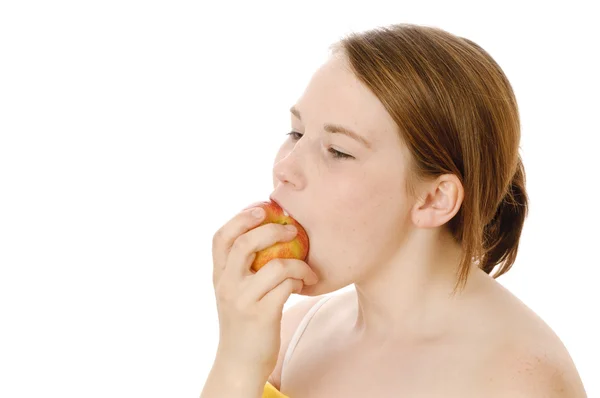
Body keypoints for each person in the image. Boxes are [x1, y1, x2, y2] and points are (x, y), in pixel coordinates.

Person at [201, 23, 588, 397]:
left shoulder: (519, 382)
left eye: (338, 150)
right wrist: (235, 363)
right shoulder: (291, 336)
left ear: (435, 199)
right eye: (296, 133)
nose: (284, 168)